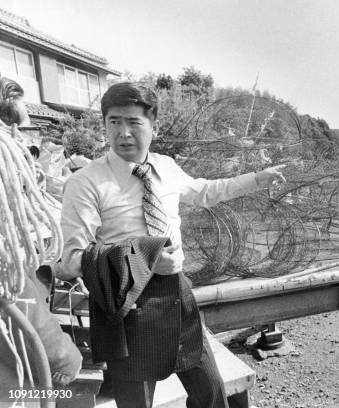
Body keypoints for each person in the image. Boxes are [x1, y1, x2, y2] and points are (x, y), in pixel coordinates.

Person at [59, 82, 286, 408]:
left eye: (134, 123)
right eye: (114, 122)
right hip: (127, 304)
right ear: (105, 124)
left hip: (178, 294)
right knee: (136, 402)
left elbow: (206, 191)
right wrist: (144, 256)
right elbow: (72, 261)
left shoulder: (165, 166)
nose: (123, 133)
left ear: (154, 126)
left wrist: (257, 179)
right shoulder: (86, 182)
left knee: (211, 393)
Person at [0, 77, 82, 393]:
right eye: (22, 133)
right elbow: (57, 361)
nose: (30, 148)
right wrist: (69, 362)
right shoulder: (9, 265)